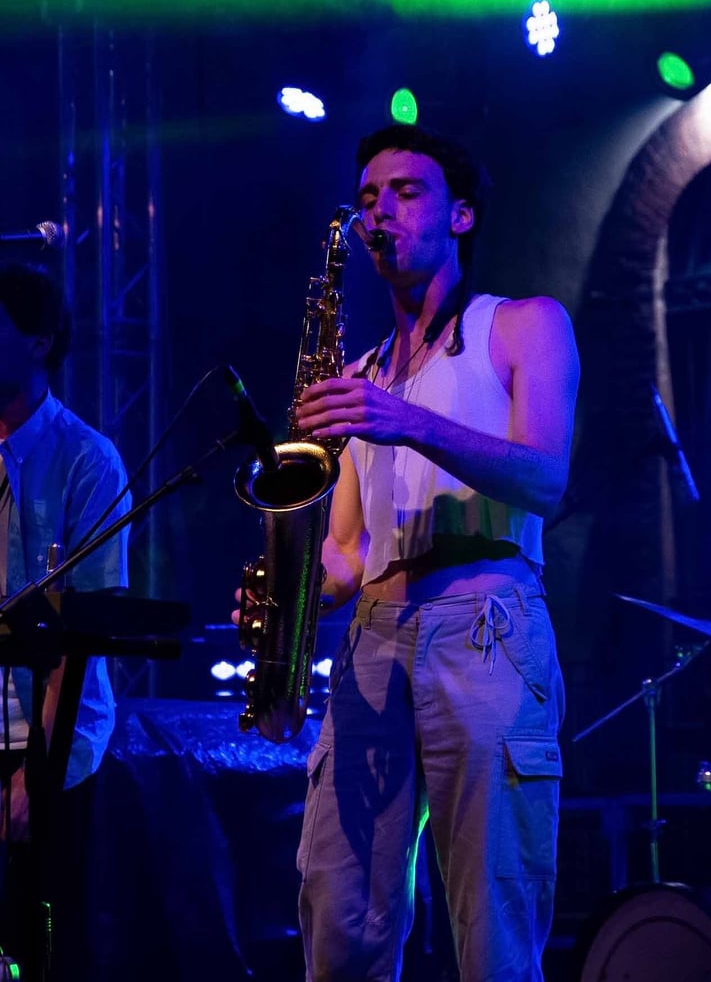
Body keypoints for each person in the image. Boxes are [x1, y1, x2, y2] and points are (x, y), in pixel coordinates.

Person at [288, 124, 581, 981]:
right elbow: (349, 554)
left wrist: (406, 419)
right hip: (372, 642)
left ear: (460, 215)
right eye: (367, 198)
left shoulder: (524, 324)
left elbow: (545, 476)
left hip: (485, 625)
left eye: (405, 191)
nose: (379, 211)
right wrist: (288, 597)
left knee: (494, 933)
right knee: (340, 922)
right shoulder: (361, 373)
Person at [0, 260, 131, 978]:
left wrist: (37, 772)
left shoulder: (88, 461)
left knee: (44, 951)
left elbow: (83, 636)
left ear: (39, 341)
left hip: (48, 745)